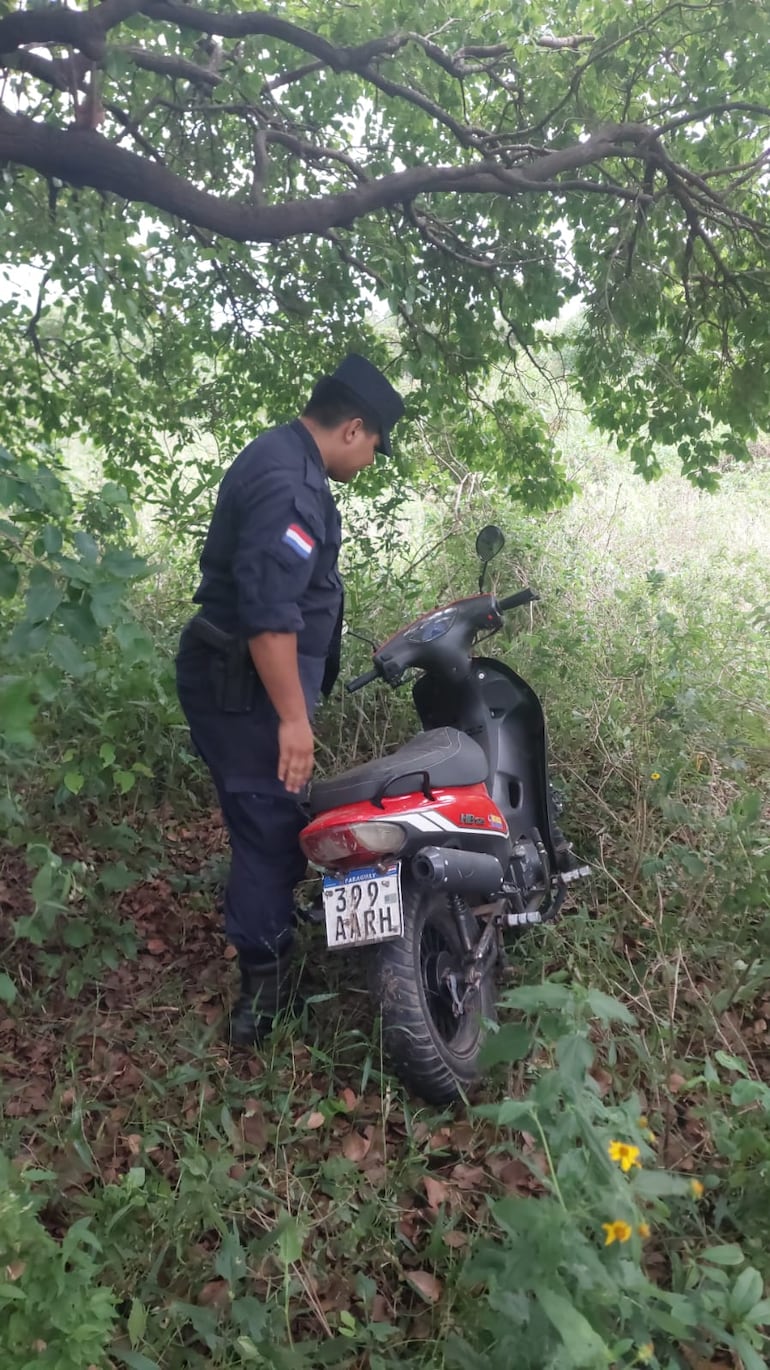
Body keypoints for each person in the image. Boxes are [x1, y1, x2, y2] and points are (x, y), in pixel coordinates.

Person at [176, 354, 405, 1045]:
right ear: (353, 428)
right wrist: (294, 721)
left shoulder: (285, 456)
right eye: (373, 448)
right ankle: (265, 991)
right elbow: (269, 619)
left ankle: (274, 940)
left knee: (268, 819)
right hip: (246, 689)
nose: (369, 461)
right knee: (271, 834)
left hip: (249, 684)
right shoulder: (289, 486)